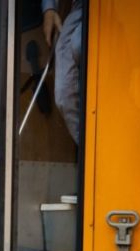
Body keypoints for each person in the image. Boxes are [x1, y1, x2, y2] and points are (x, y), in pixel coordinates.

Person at [42, 0, 82, 143]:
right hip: (81, 8)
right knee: (64, 93)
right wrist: (49, 8)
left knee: (78, 43)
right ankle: (91, 150)